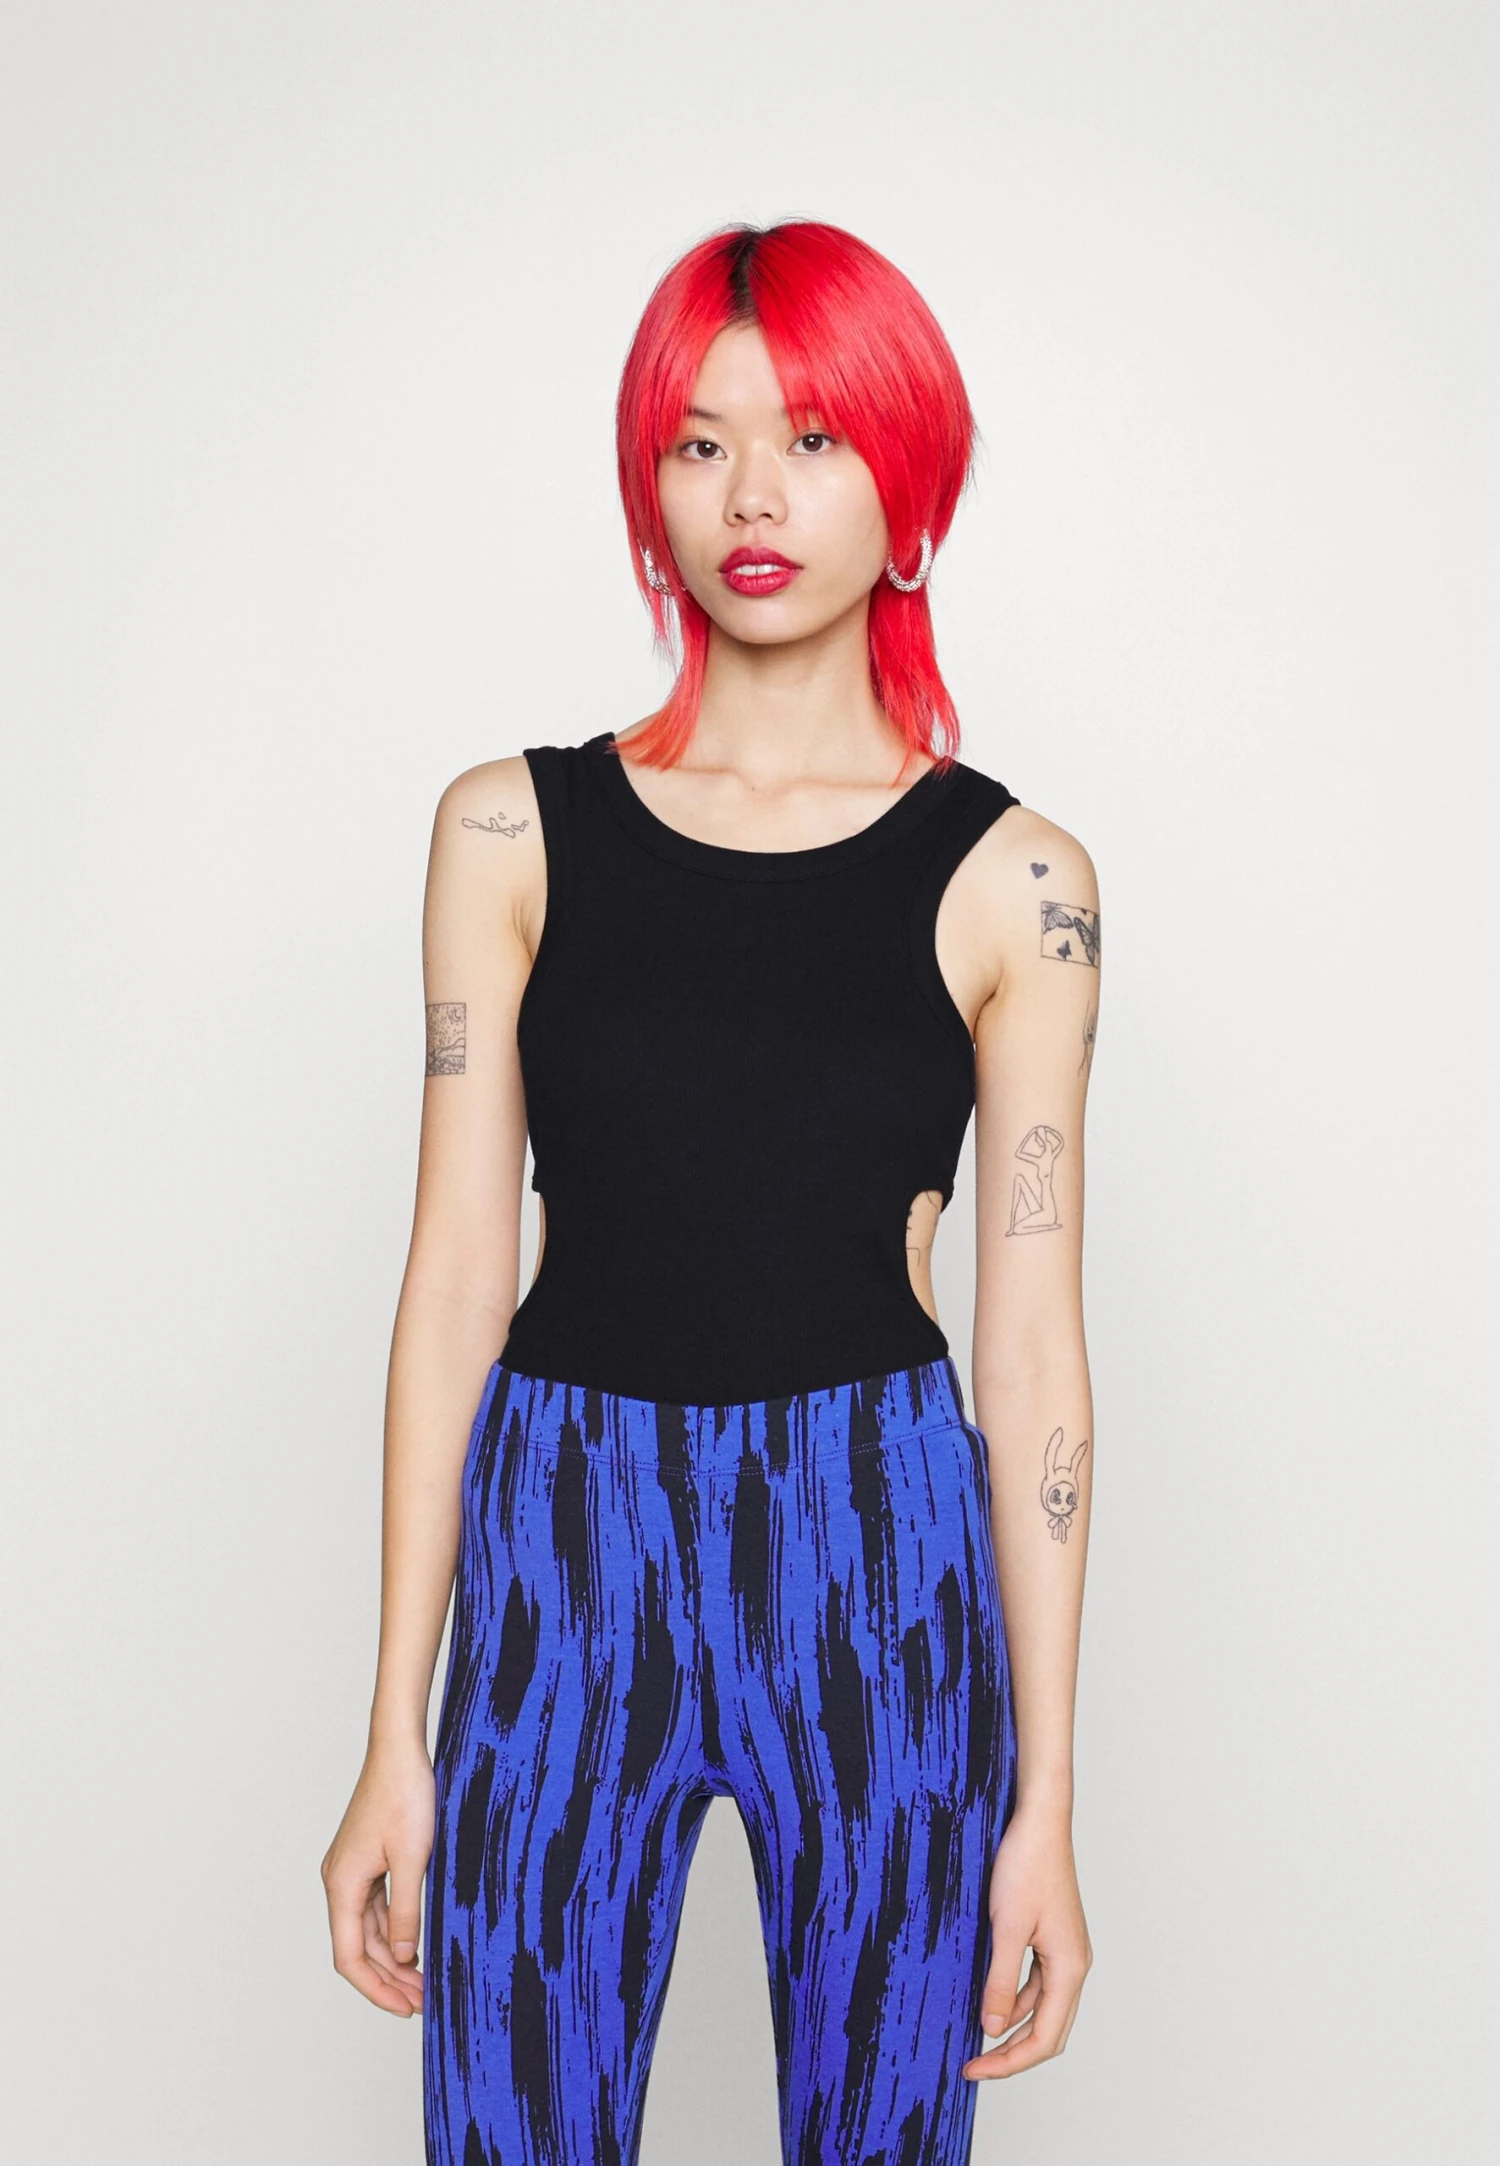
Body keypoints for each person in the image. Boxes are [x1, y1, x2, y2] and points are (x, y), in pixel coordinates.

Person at [322, 217, 1097, 2166]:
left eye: (815, 437)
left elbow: (1032, 1355)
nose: (754, 493)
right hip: (567, 1528)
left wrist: (1046, 1803)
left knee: (881, 2141)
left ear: (908, 484)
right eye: (700, 441)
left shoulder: (1019, 885)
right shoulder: (507, 831)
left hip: (879, 1540)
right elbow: (451, 1287)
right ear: (648, 487)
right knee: (513, 2131)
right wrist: (394, 1732)